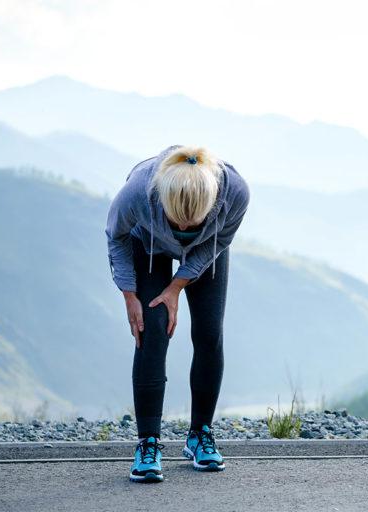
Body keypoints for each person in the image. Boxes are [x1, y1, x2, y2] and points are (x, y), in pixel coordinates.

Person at [105, 144, 250, 483]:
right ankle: (148, 443)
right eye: (177, 221)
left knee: (209, 332)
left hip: (207, 249)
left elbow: (222, 241)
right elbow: (116, 237)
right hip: (147, 244)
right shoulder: (137, 193)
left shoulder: (235, 193)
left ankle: (200, 434)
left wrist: (176, 287)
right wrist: (129, 295)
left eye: (192, 222)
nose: (183, 228)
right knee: (150, 328)